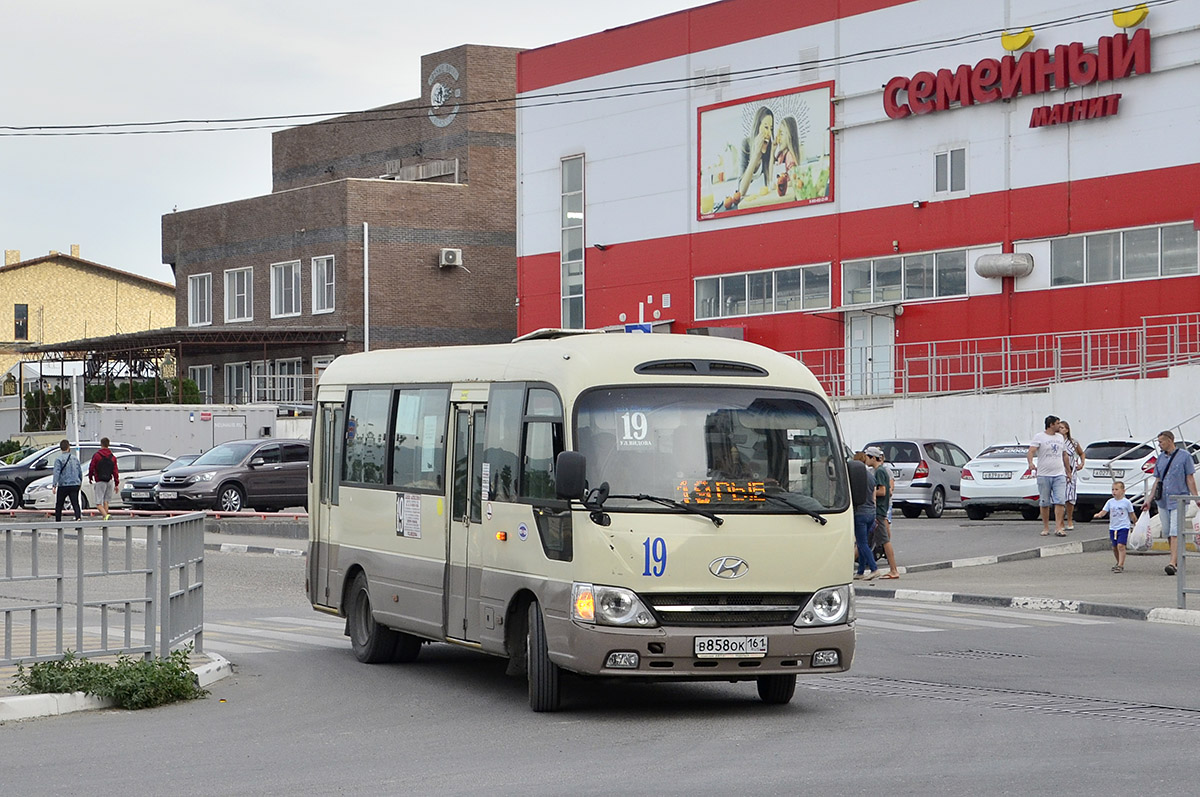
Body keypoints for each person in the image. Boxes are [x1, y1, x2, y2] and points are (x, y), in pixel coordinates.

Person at [1140, 430, 1199, 576]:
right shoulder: (1160, 458)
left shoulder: (1184, 457)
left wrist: (1196, 497)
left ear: (1170, 440)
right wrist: (1149, 499)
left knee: (1175, 531)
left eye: (1161, 441)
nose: (1159, 444)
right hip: (1163, 501)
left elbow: (1190, 478)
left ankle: (1172, 563)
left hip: (1179, 500)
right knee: (1167, 531)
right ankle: (1176, 558)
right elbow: (1157, 480)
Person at [1027, 415, 1071, 537]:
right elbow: (1031, 451)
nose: (1059, 426)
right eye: (1057, 424)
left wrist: (1068, 471)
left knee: (1060, 501)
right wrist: (1030, 463)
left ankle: (1059, 527)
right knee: (1045, 502)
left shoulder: (1060, 438)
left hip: (1059, 474)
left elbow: (1065, 455)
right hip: (1044, 474)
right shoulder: (1039, 437)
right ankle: (1046, 527)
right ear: (1051, 424)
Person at [866, 446, 900, 579]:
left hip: (879, 510)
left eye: (868, 457)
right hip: (880, 510)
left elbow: (883, 491)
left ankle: (893, 570)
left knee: (885, 540)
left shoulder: (879, 471)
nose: (866, 460)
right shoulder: (880, 470)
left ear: (873, 458)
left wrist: (870, 492)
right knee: (866, 542)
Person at [1095, 481, 1135, 573]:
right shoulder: (1110, 502)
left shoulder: (1126, 502)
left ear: (1123, 491)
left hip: (1123, 526)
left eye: (1116, 489)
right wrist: (1099, 515)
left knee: (1121, 545)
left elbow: (1131, 514)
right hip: (1113, 527)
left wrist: (1136, 523)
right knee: (1115, 547)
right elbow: (1104, 511)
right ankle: (1118, 562)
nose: (1114, 492)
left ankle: (1121, 565)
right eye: (1113, 489)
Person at [737, 105, 775, 199]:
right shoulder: (745, 144)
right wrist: (755, 155)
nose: (769, 133)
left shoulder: (769, 148)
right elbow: (741, 191)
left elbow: (770, 184)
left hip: (760, 199)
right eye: (766, 127)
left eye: (771, 128)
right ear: (757, 127)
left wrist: (772, 152)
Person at [851, 451, 879, 580]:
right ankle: (861, 571)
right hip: (871, 513)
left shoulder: (854, 477)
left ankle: (874, 568)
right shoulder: (871, 476)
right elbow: (874, 497)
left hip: (860, 513)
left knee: (861, 543)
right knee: (865, 542)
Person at [1059, 421, 1085, 531]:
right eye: (1058, 427)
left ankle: (1069, 519)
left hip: (1071, 471)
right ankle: (1059, 522)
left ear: (1067, 430)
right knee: (1059, 497)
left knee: (1070, 497)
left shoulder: (1073, 442)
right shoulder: (1055, 441)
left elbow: (1081, 453)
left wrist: (1082, 463)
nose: (1060, 429)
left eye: (1062, 428)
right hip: (1059, 470)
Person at [88, 437, 120, 520]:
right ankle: (105, 521)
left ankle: (106, 516)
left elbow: (91, 467)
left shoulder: (97, 456)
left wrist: (90, 477)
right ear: (108, 444)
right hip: (109, 481)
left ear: (101, 444)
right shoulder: (112, 457)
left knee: (98, 503)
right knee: (106, 501)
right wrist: (116, 483)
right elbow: (115, 471)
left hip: (100, 481)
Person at [51, 439, 83, 523]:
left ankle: (58, 521)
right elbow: (79, 471)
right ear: (68, 447)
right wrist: (80, 482)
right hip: (75, 484)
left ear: (61, 448)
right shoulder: (75, 458)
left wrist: (54, 485)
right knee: (75, 503)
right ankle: (78, 518)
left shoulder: (58, 459)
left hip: (63, 485)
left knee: (59, 504)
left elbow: (56, 472)